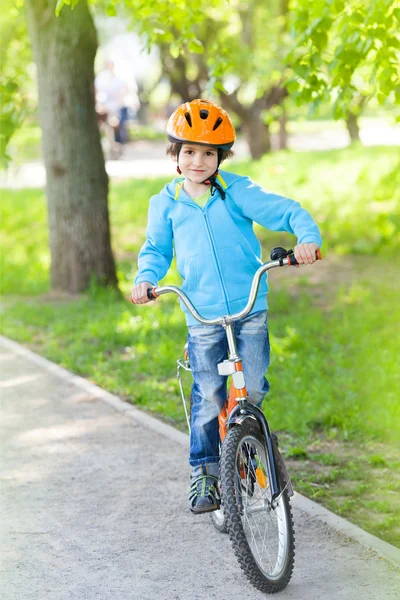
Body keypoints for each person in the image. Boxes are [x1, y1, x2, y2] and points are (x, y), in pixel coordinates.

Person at [131, 99, 322, 514]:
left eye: (208, 153)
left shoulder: (236, 191)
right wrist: (146, 279)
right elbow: (155, 250)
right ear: (174, 155)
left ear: (220, 158)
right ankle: (205, 472)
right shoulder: (165, 203)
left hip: (248, 306)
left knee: (250, 387)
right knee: (209, 397)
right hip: (201, 314)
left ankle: (249, 442)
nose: (197, 161)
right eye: (188, 151)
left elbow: (285, 210)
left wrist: (306, 237)